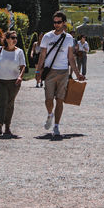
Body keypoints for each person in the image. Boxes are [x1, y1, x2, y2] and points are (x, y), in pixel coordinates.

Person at [37, 11, 80, 140]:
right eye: (55, 22)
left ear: (64, 23)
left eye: (59, 22)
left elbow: (70, 57)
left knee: (60, 100)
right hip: (49, 72)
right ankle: (50, 114)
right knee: (48, 100)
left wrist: (77, 73)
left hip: (63, 72)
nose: (56, 25)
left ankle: (56, 125)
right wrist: (38, 71)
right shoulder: (47, 37)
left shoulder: (68, 38)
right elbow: (42, 55)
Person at [0, 31, 26, 139]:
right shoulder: (0, 50)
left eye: (15, 38)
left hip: (14, 82)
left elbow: (23, 66)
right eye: (12, 37)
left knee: (10, 103)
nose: (14, 40)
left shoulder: (20, 52)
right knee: (2, 102)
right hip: (0, 81)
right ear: (7, 39)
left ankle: (7, 126)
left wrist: (20, 77)